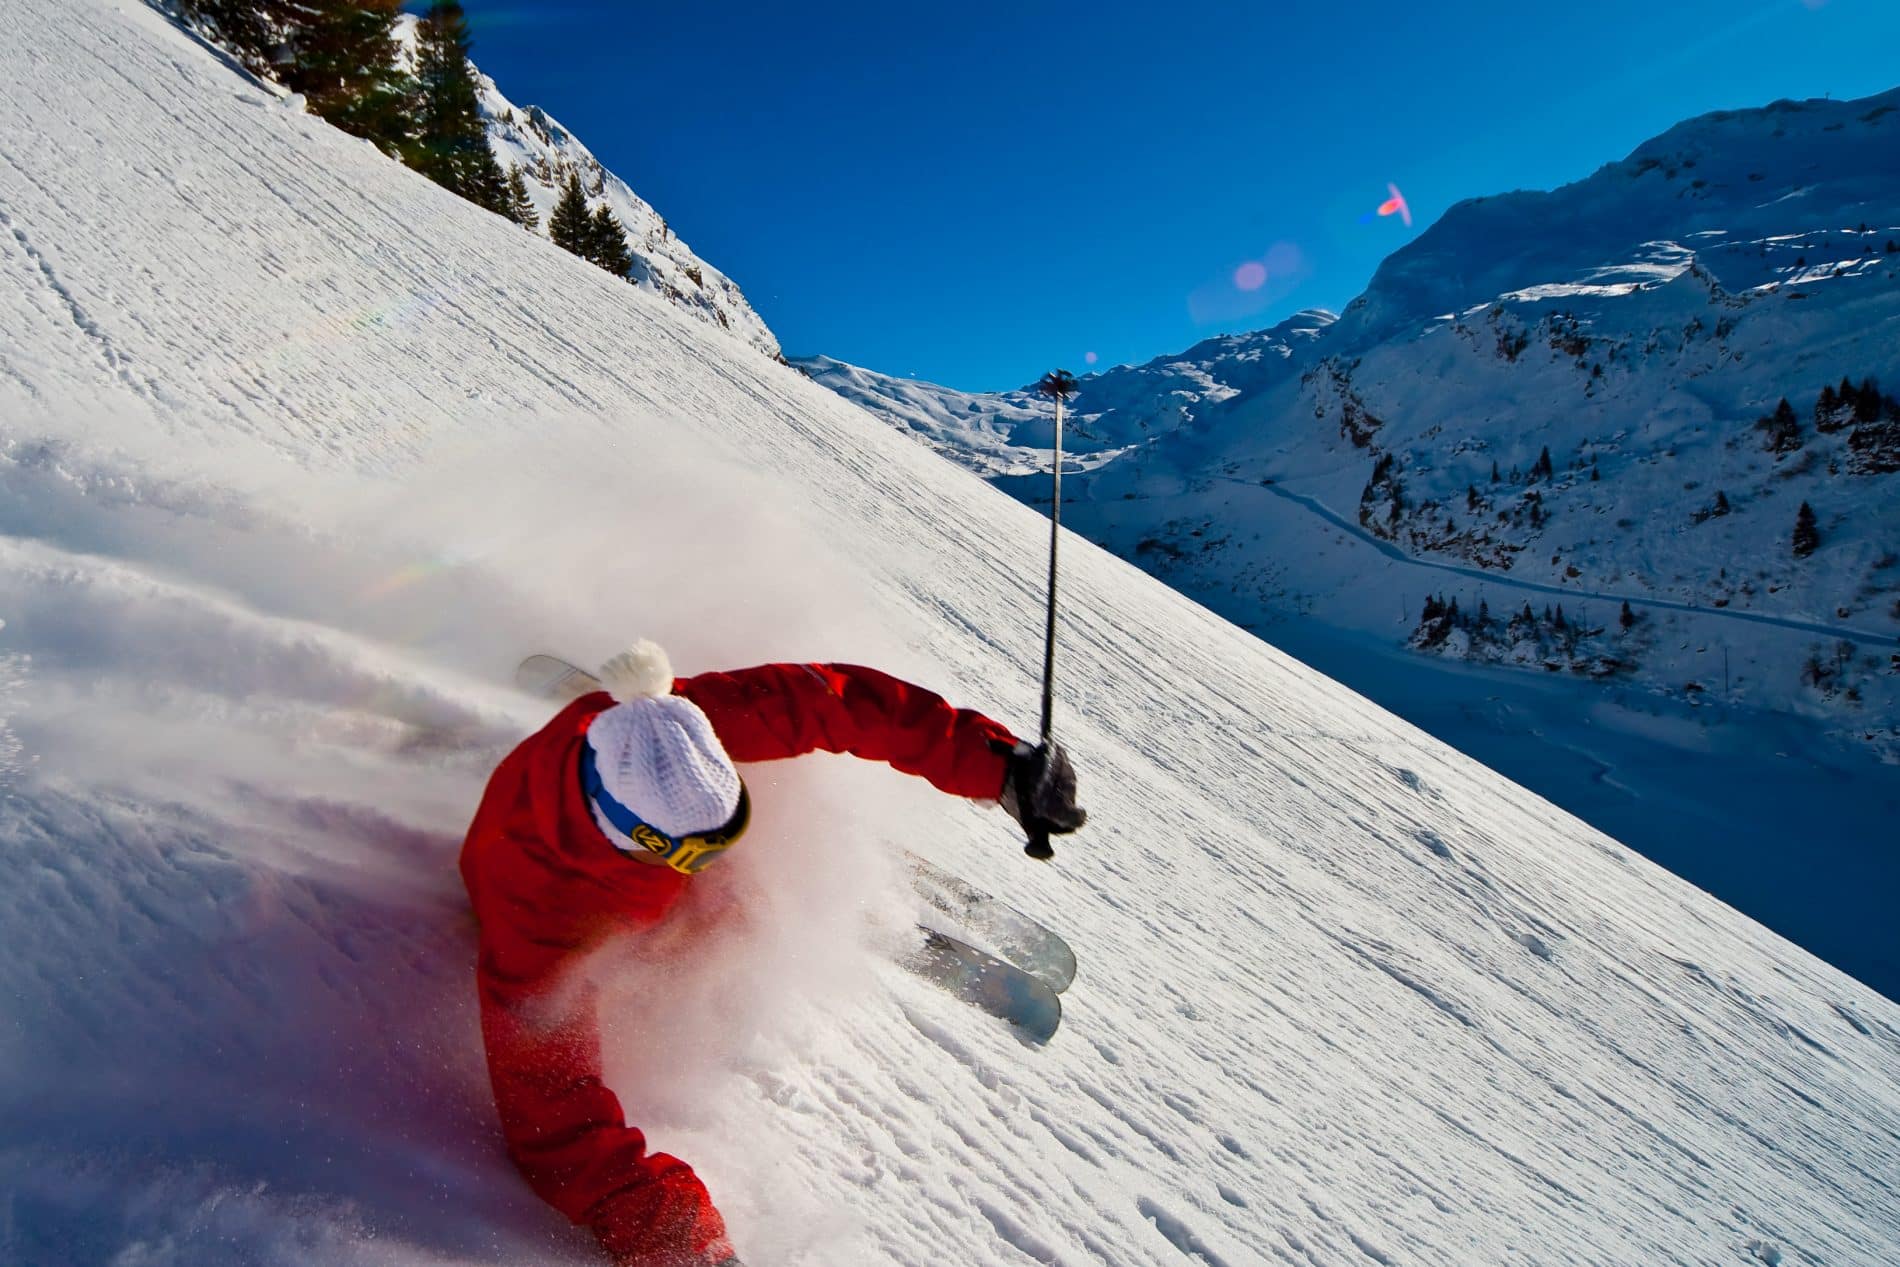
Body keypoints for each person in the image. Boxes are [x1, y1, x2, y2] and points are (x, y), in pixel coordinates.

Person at [459, 641, 1085, 1266]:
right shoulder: (543, 919)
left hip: (624, 856)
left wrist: (997, 764)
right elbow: (555, 1124)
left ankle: (778, 875)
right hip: (608, 923)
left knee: (747, 889)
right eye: (698, 850)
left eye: (730, 823)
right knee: (728, 932)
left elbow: (833, 701)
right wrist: (685, 1245)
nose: (717, 853)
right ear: (641, 838)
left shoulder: (679, 719)